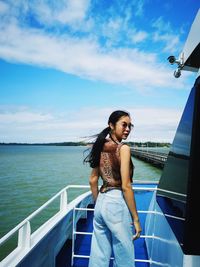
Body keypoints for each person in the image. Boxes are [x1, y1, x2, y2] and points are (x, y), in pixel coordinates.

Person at [84, 110, 142, 267]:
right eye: (124, 125)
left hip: (101, 202)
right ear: (111, 125)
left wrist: (99, 203)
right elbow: (126, 186)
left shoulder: (100, 146)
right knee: (124, 256)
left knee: (99, 256)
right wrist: (136, 219)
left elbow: (92, 180)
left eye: (130, 126)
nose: (128, 129)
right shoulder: (123, 148)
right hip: (116, 203)